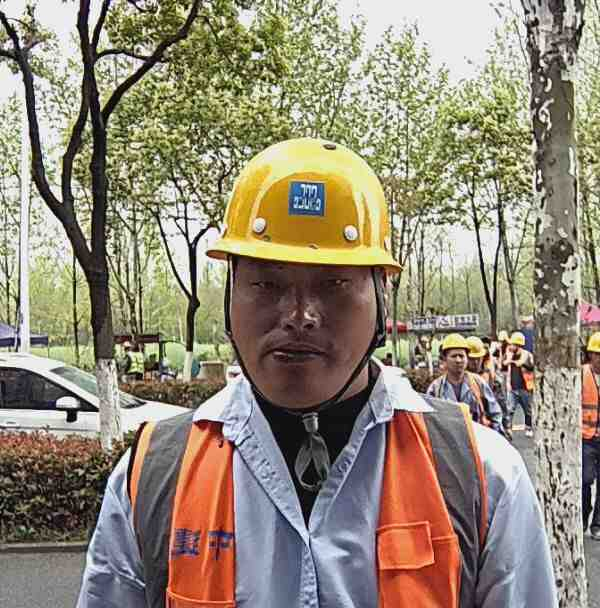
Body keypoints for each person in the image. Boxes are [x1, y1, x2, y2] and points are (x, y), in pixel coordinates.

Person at [76, 138, 556, 607]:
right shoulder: (156, 475)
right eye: (266, 283)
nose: (299, 316)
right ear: (230, 296)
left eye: (334, 283)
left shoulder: (480, 476)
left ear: (380, 300)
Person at [427, 333, 504, 435]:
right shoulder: (436, 388)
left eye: (461, 356)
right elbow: (429, 421)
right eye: (454, 356)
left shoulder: (478, 383)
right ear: (445, 359)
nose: (458, 360)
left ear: (466, 358)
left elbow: (495, 413)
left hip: (477, 439)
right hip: (449, 440)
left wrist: (496, 436)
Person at [469, 336, 512, 439]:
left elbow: (499, 406)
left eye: (478, 358)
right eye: (472, 359)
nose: (475, 362)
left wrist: (504, 427)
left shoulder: (489, 373)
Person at [582, 332, 600, 539]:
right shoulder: (581, 374)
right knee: (586, 480)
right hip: (586, 437)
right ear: (591, 355)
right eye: (597, 354)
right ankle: (583, 517)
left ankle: (597, 525)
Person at [505, 331, 535, 437]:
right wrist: (509, 359)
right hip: (513, 387)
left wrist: (521, 363)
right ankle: (508, 429)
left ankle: (529, 427)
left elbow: (530, 366)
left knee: (528, 410)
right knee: (509, 409)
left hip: (525, 387)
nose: (511, 346)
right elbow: (504, 364)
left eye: (513, 344)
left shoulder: (526, 355)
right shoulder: (510, 354)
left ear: (518, 345)